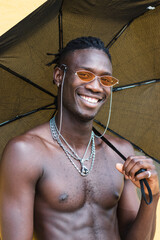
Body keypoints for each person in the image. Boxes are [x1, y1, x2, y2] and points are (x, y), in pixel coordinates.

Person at [0, 36, 159, 240]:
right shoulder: (25, 152)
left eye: (106, 79)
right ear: (59, 76)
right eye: (85, 75)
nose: (96, 87)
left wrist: (152, 197)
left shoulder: (120, 153)